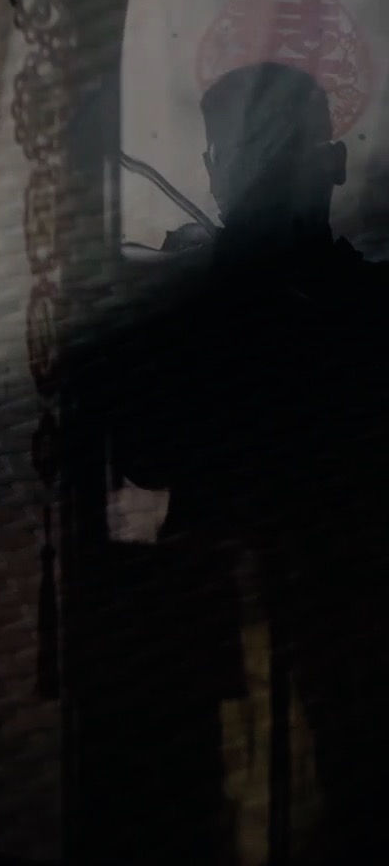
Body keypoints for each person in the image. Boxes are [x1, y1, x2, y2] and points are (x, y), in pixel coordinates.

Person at [100, 62, 389, 861]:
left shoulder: (362, 309)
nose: (260, 184)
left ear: (332, 165)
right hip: (235, 653)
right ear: (214, 172)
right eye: (246, 161)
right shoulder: (182, 314)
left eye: (279, 159)